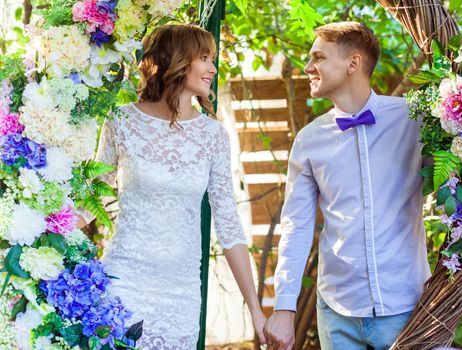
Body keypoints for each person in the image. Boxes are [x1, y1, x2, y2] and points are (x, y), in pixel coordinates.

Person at [77, 24, 266, 349]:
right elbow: (91, 199)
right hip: (125, 281)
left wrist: (255, 308)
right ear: (177, 60)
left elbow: (229, 225)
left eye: (213, 59)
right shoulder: (121, 121)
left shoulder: (213, 136)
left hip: (181, 293)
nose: (212, 68)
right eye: (204, 58)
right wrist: (40, 235)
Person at [263, 22, 431, 350]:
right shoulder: (309, 140)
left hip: (406, 307)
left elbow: (456, 185)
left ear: (353, 63)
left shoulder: (415, 121)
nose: (309, 67)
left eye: (319, 58)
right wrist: (284, 306)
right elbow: (296, 225)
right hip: (337, 312)